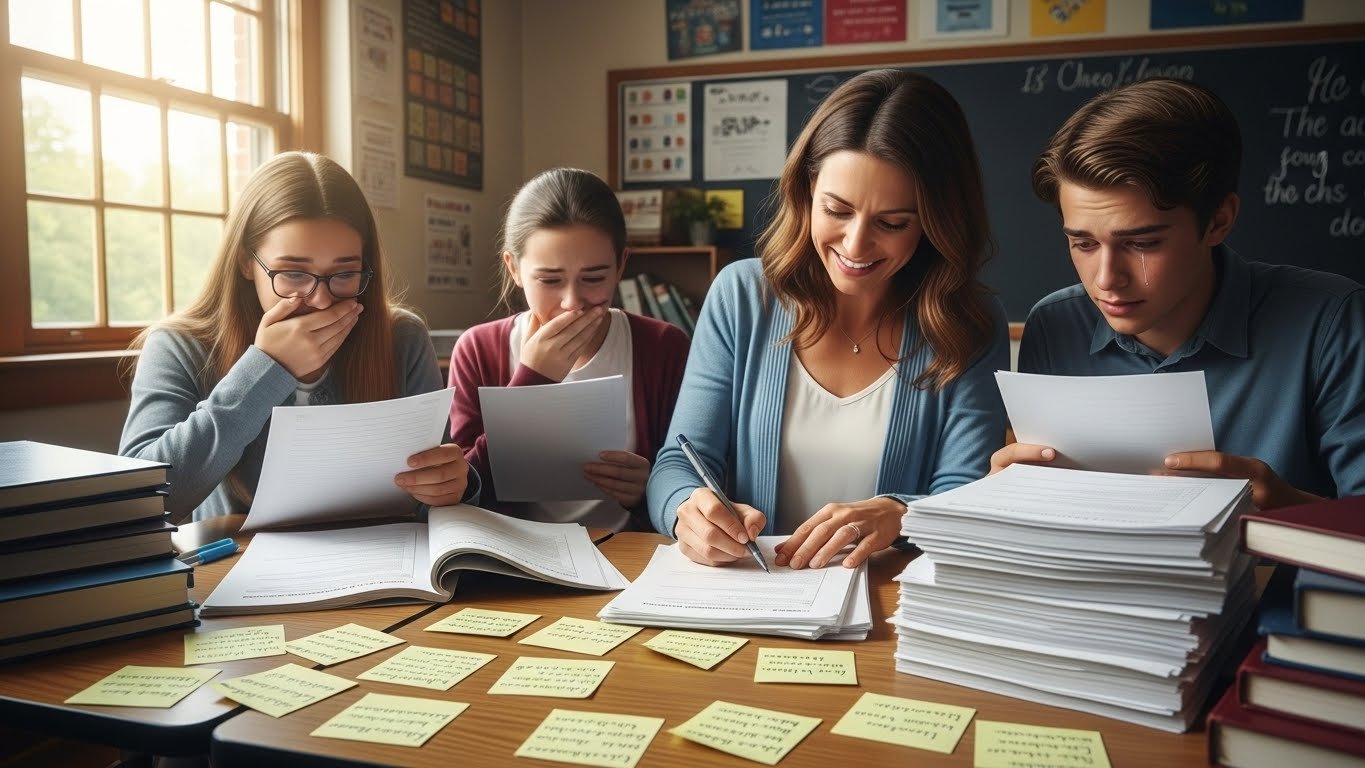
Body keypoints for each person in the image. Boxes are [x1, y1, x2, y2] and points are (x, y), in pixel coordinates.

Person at [648, 68, 1009, 570]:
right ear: (807, 190)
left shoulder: (968, 321)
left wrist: (900, 514)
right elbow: (678, 465)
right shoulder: (741, 296)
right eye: (837, 210)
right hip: (756, 598)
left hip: (892, 608)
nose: (856, 246)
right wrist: (686, 509)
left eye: (892, 223)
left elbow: (964, 496)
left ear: (935, 221)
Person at [994, 77, 1365, 508]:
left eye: (1143, 244)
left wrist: (1287, 511)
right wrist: (1007, 499)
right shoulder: (1055, 325)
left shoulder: (1333, 323)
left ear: (1218, 221)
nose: (1106, 279)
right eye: (1084, 243)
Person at [120, 151, 476, 523]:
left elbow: (431, 486)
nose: (320, 299)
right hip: (232, 571)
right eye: (292, 274)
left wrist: (454, 484)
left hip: (383, 564)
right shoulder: (179, 345)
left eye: (344, 274)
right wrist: (265, 370)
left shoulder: (401, 337)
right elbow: (139, 501)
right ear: (246, 261)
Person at [448, 167, 690, 531]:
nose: (571, 302)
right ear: (513, 268)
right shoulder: (479, 349)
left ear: (621, 264)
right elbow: (465, 492)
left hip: (633, 555)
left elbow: (696, 473)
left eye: (594, 278)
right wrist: (532, 380)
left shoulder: (663, 347)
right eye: (549, 280)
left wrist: (654, 489)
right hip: (515, 558)